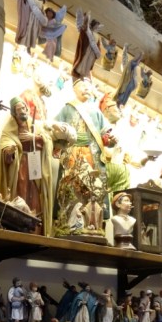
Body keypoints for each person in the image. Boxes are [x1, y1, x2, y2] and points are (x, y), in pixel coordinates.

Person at [53, 79, 116, 238]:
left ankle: (92, 222)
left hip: (91, 155)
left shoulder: (96, 112)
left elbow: (105, 135)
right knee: (71, 187)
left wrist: (111, 139)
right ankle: (70, 221)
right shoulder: (68, 108)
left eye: (89, 87)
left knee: (92, 187)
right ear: (74, 89)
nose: (86, 89)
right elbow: (54, 128)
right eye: (82, 86)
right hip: (73, 153)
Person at [0, 97, 53, 235]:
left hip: (35, 165)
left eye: (24, 107)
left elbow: (48, 140)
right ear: (14, 113)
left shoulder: (35, 126)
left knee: (35, 194)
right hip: (20, 166)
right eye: (19, 109)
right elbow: (6, 142)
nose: (23, 111)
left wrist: (35, 137)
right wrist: (10, 150)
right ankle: (18, 224)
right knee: (21, 191)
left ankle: (36, 228)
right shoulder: (10, 128)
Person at [72, 9, 102, 79]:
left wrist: (97, 52)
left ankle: (83, 74)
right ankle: (79, 72)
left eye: (97, 26)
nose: (97, 27)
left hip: (92, 52)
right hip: (87, 49)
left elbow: (97, 45)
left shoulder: (97, 35)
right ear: (93, 25)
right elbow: (85, 30)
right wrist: (86, 19)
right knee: (83, 61)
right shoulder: (89, 32)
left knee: (88, 63)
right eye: (96, 26)